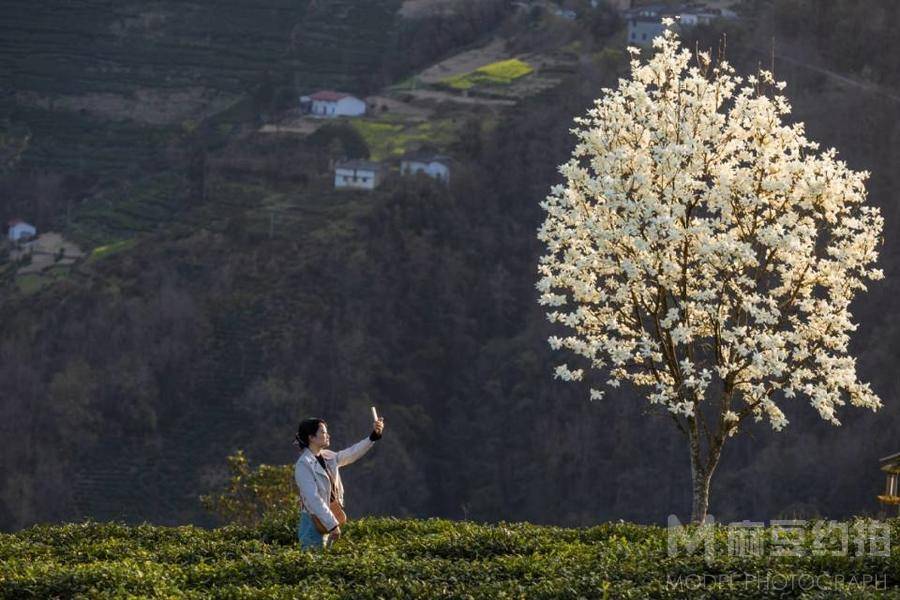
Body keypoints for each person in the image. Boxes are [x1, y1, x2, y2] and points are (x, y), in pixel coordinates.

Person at [293, 415, 384, 550]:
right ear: (311, 437)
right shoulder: (303, 465)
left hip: (330, 518)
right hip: (313, 523)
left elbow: (351, 453)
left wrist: (372, 437)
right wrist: (332, 525)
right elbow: (314, 499)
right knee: (313, 563)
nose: (327, 435)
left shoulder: (328, 456)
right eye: (323, 432)